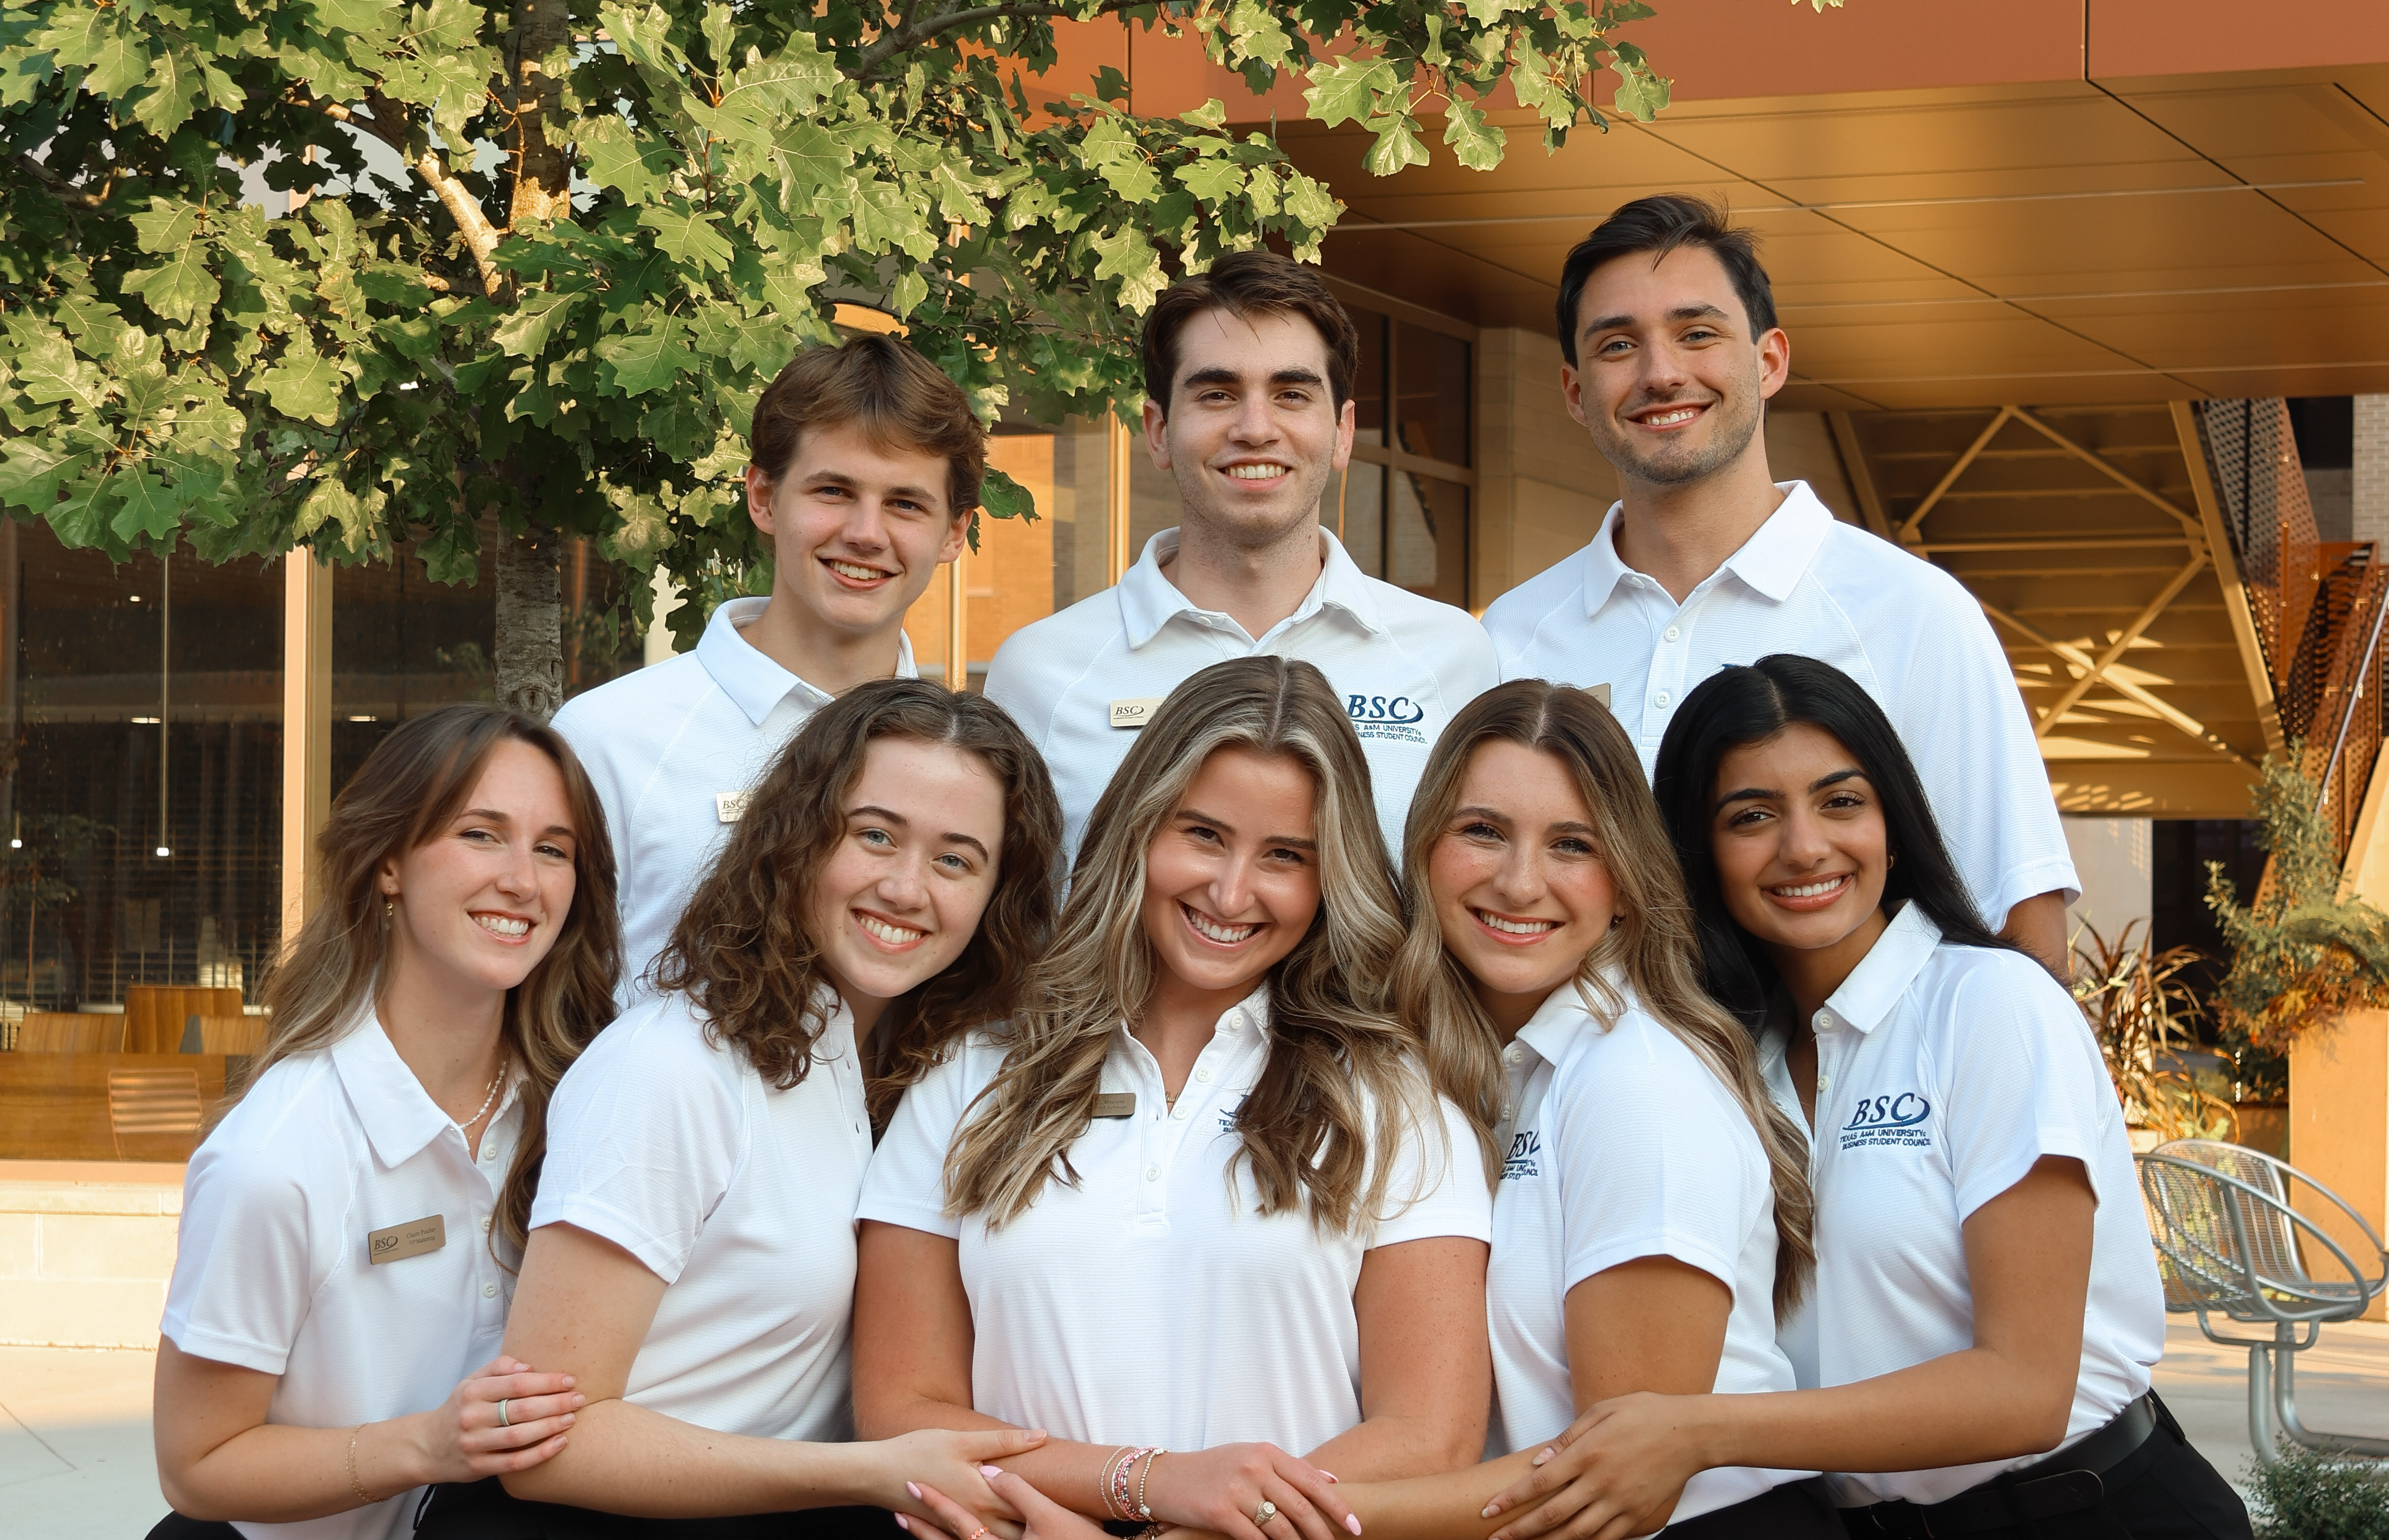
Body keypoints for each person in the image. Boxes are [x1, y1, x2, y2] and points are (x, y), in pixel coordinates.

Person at [1093, 679, 1902, 1540]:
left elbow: (1610, 1482)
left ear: (1626, 882)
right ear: (1419, 854)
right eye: (1482, 832)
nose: (1520, 881)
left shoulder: (1633, 1083)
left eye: (1570, 844)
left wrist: (1263, 1535)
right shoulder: (1458, 1073)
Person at [1483, 654, 2262, 1540]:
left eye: (1838, 801)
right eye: (1750, 815)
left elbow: (2023, 1385)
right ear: (1695, 850)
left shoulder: (1987, 1005)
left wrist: (1699, 1429)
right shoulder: (1717, 1052)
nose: (1804, 847)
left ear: (1891, 817)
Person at [395, 679, 1062, 1540]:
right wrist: (868, 1471)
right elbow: (546, 1441)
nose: (906, 887)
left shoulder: (907, 1073)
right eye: (873, 835)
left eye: (956, 858)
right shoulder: (672, 1068)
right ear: (797, 835)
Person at [854, 655, 1494, 1540]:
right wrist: (1151, 1486)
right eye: (1201, 834)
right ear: (1138, 827)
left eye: (1284, 856)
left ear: (1330, 879)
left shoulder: (1394, 1097)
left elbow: (1427, 1434)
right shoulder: (975, 1073)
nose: (1231, 889)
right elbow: (903, 1411)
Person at [120, 704, 619, 1540]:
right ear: (389, 861)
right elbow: (198, 1465)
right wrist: (427, 1444)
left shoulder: (586, 1108)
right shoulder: (279, 1155)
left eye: (554, 848)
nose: (521, 878)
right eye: (480, 834)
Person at [1483, 195, 2079, 973]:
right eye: (1618, 345)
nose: (1661, 373)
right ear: (1574, 391)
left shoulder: (1912, 613)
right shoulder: (1510, 635)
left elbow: (2020, 929)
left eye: (1697, 334)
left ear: (1769, 362)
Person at [984, 251, 1499, 867]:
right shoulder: (1042, 673)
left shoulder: (1451, 659)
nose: (1255, 428)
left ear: (1342, 432)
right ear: (1157, 431)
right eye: (1217, 394)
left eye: (1290, 394)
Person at [554, 334, 985, 994]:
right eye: (833, 491)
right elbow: (548, 1010)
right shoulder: (608, 738)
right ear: (762, 497)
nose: (865, 533)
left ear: (953, 532)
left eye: (905, 503)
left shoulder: (969, 769)